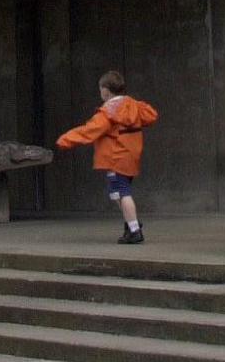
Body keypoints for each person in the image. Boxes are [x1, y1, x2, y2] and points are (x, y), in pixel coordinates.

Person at [56, 70, 159, 245]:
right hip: (131, 156)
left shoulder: (107, 113)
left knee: (121, 193)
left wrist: (65, 140)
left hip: (115, 158)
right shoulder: (134, 106)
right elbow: (151, 116)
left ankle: (134, 229)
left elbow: (89, 131)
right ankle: (130, 222)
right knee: (118, 192)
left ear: (106, 91)